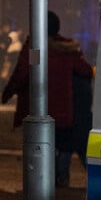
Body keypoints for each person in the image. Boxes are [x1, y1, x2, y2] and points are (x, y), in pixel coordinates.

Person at [1, 11, 94, 187]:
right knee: (63, 145)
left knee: (43, 147)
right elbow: (86, 71)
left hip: (39, 109)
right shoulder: (66, 49)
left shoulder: (35, 49)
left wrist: (8, 93)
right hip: (64, 111)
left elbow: (22, 74)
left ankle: (47, 183)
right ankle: (61, 180)